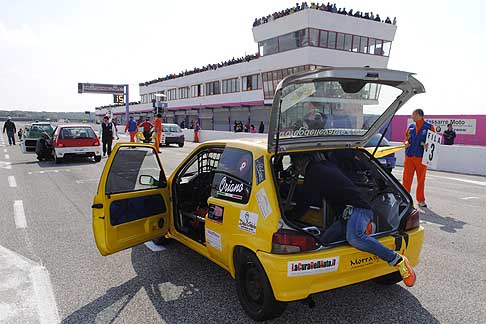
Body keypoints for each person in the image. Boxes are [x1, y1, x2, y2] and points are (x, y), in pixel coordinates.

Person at [290, 153, 416, 287]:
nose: (298, 171)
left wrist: (291, 217)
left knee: (355, 237)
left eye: (296, 167)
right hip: (348, 214)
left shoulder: (313, 172)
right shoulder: (324, 165)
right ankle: (365, 229)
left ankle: (397, 260)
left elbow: (307, 202)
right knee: (324, 242)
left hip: (358, 209)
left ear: (300, 163)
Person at [402, 109, 435, 208]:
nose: (412, 117)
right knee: (406, 179)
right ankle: (405, 199)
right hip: (409, 156)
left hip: (421, 158)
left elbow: (434, 143)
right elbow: (405, 139)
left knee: (421, 179)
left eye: (413, 115)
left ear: (419, 115)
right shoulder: (411, 127)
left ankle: (420, 200)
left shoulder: (429, 127)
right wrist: (406, 143)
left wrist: (427, 146)